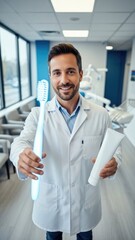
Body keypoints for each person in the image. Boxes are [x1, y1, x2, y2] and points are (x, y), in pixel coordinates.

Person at [10, 43, 121, 240]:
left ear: (80, 73)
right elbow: (22, 141)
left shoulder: (100, 114)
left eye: (70, 72)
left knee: (85, 235)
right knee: (53, 236)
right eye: (56, 73)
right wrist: (21, 155)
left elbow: (115, 149)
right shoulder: (38, 115)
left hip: (85, 200)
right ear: (50, 77)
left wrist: (114, 162)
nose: (64, 80)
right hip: (51, 201)